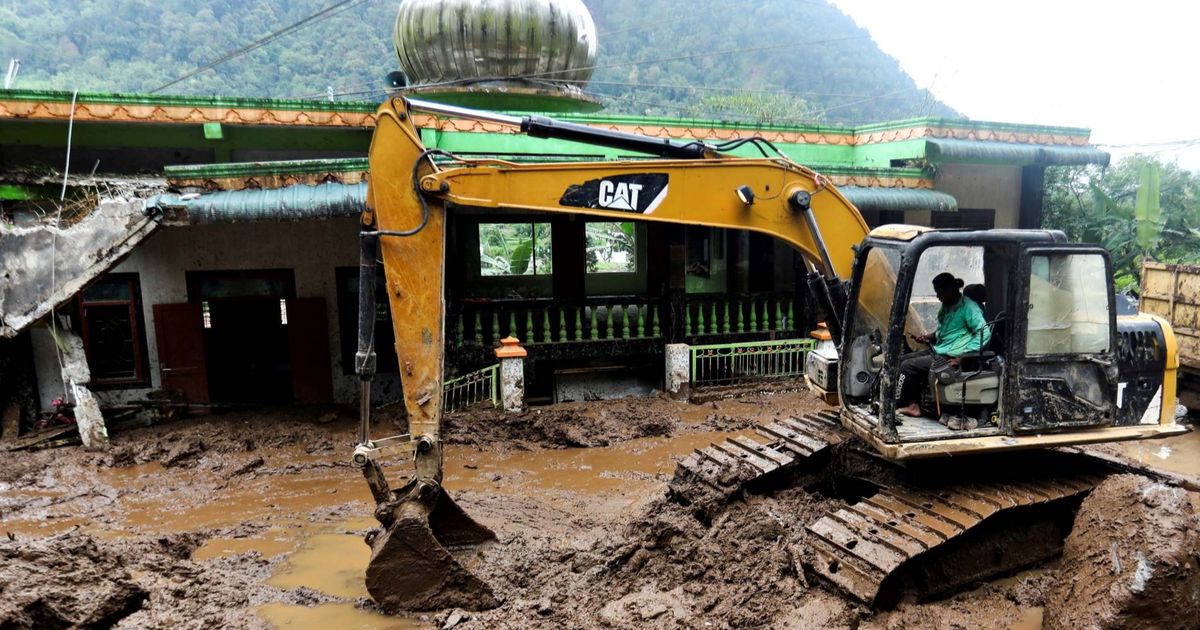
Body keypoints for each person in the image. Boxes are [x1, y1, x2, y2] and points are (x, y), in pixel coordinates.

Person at [895, 273, 991, 419]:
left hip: (952, 356)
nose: (938, 296)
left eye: (939, 292)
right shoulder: (947, 306)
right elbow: (944, 330)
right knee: (900, 360)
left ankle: (911, 405)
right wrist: (928, 337)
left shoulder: (968, 307)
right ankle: (908, 401)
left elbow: (984, 332)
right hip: (940, 350)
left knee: (907, 367)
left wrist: (962, 357)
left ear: (950, 290)